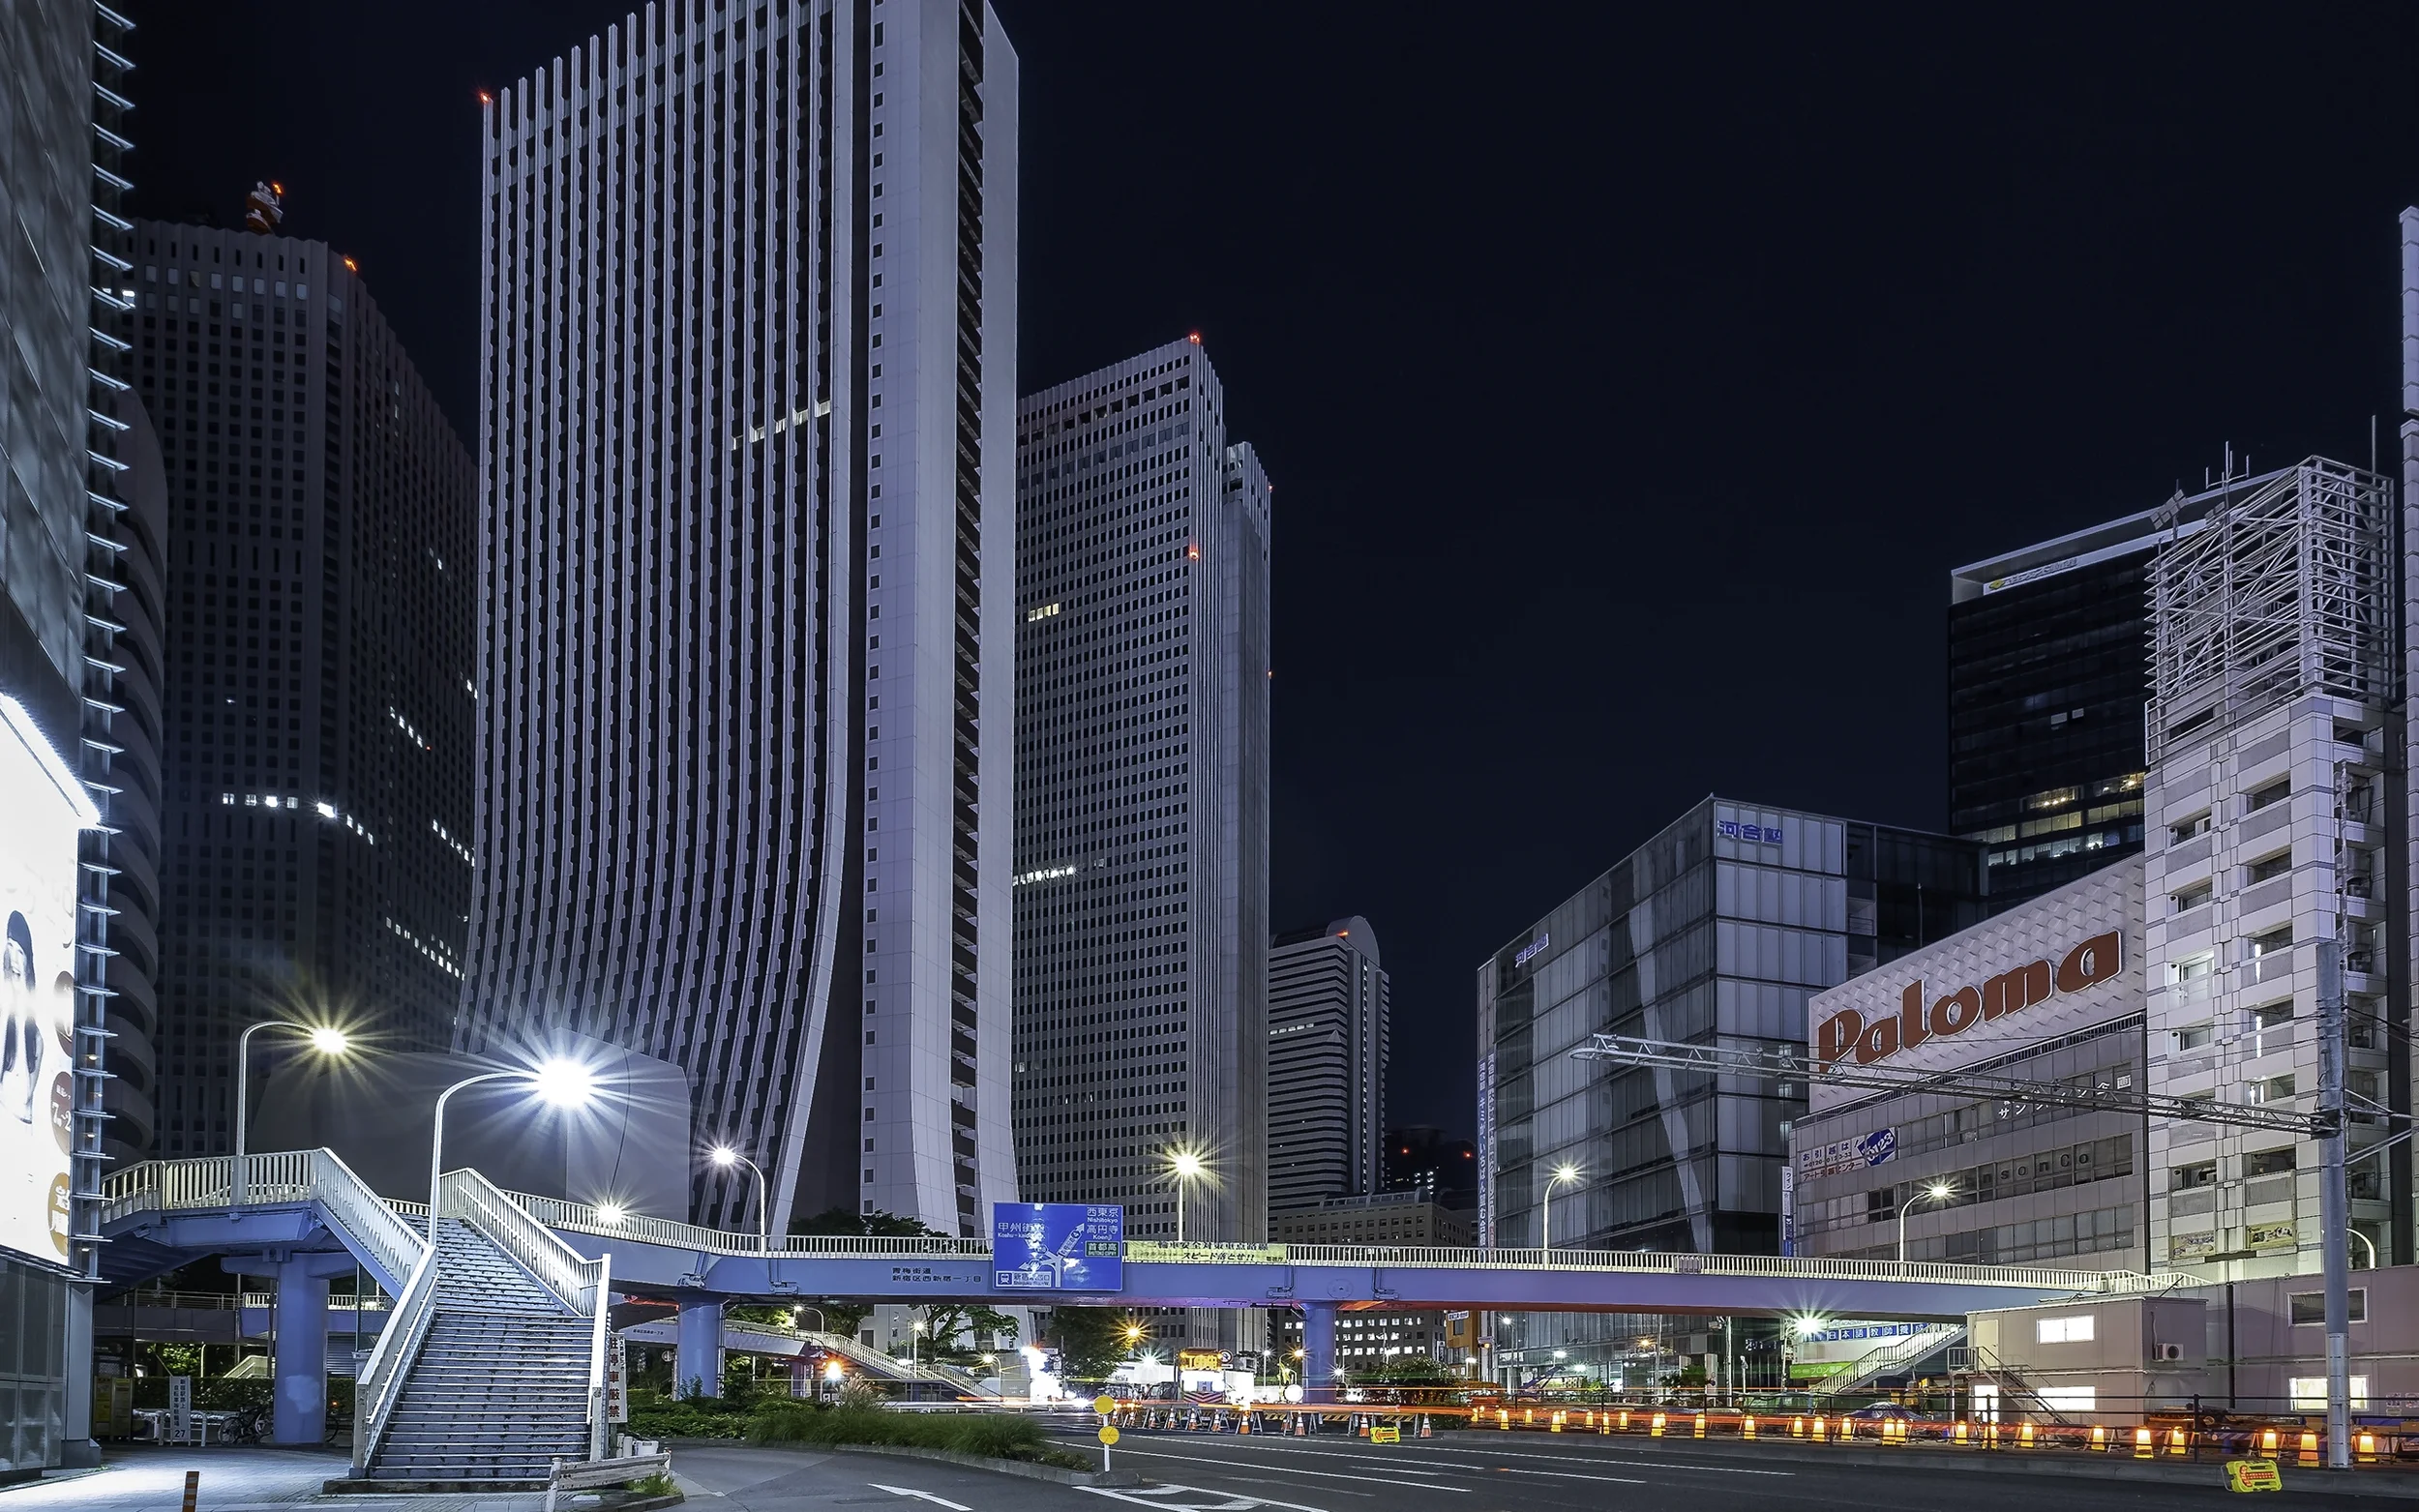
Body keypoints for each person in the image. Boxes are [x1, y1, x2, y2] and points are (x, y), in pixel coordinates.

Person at [0, 912, 38, 1123]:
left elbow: (24, 1096)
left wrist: (22, 1010)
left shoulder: (36, 1039)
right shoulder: (3, 1019)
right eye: (10, 947)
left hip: (24, 1129)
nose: (14, 957)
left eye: (20, 951)